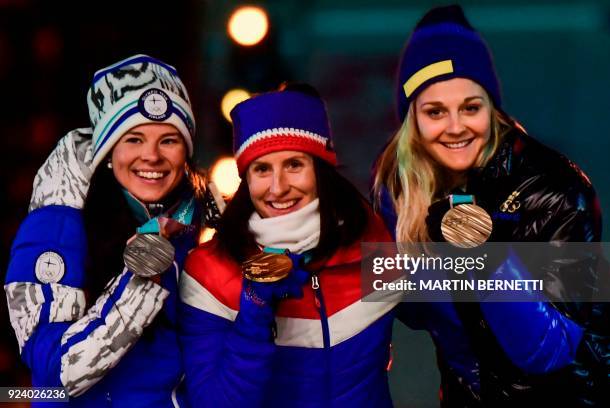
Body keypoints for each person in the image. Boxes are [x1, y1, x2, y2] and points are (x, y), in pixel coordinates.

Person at [372, 5, 610, 407]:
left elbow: (546, 351)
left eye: (470, 107)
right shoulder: (400, 184)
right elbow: (405, 305)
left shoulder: (559, 189)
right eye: (435, 112)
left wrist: (483, 255)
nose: (456, 126)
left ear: (492, 107)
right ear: (413, 120)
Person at [5, 54, 221, 407]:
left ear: (187, 151)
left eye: (168, 140)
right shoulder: (60, 223)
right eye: (133, 139)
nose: (151, 155)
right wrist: (140, 279)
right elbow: (58, 373)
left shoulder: (207, 225)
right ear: (107, 150)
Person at [179, 84, 400, 407]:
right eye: (262, 169)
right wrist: (255, 311)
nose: (278, 187)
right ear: (246, 179)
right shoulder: (209, 272)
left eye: (294, 165)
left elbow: (447, 306)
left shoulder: (369, 239)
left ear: (320, 170)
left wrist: (472, 242)